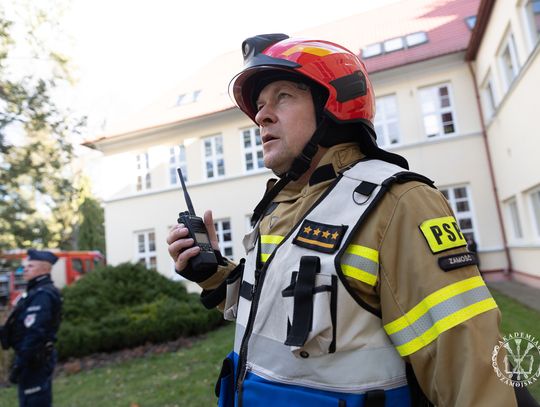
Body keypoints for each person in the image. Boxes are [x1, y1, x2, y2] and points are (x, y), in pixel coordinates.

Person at [167, 34, 530, 406]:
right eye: (259, 106)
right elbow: (272, 313)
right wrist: (211, 272)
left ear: (333, 106)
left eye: (283, 97)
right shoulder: (278, 207)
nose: (261, 116)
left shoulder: (398, 203)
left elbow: (467, 367)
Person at [0, 249, 62, 407]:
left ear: (44, 269)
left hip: (34, 360)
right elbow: (19, 325)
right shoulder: (33, 292)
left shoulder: (43, 295)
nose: (25, 269)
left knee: (34, 401)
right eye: (25, 266)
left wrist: (21, 362)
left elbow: (35, 332)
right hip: (29, 358)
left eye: (30, 266)